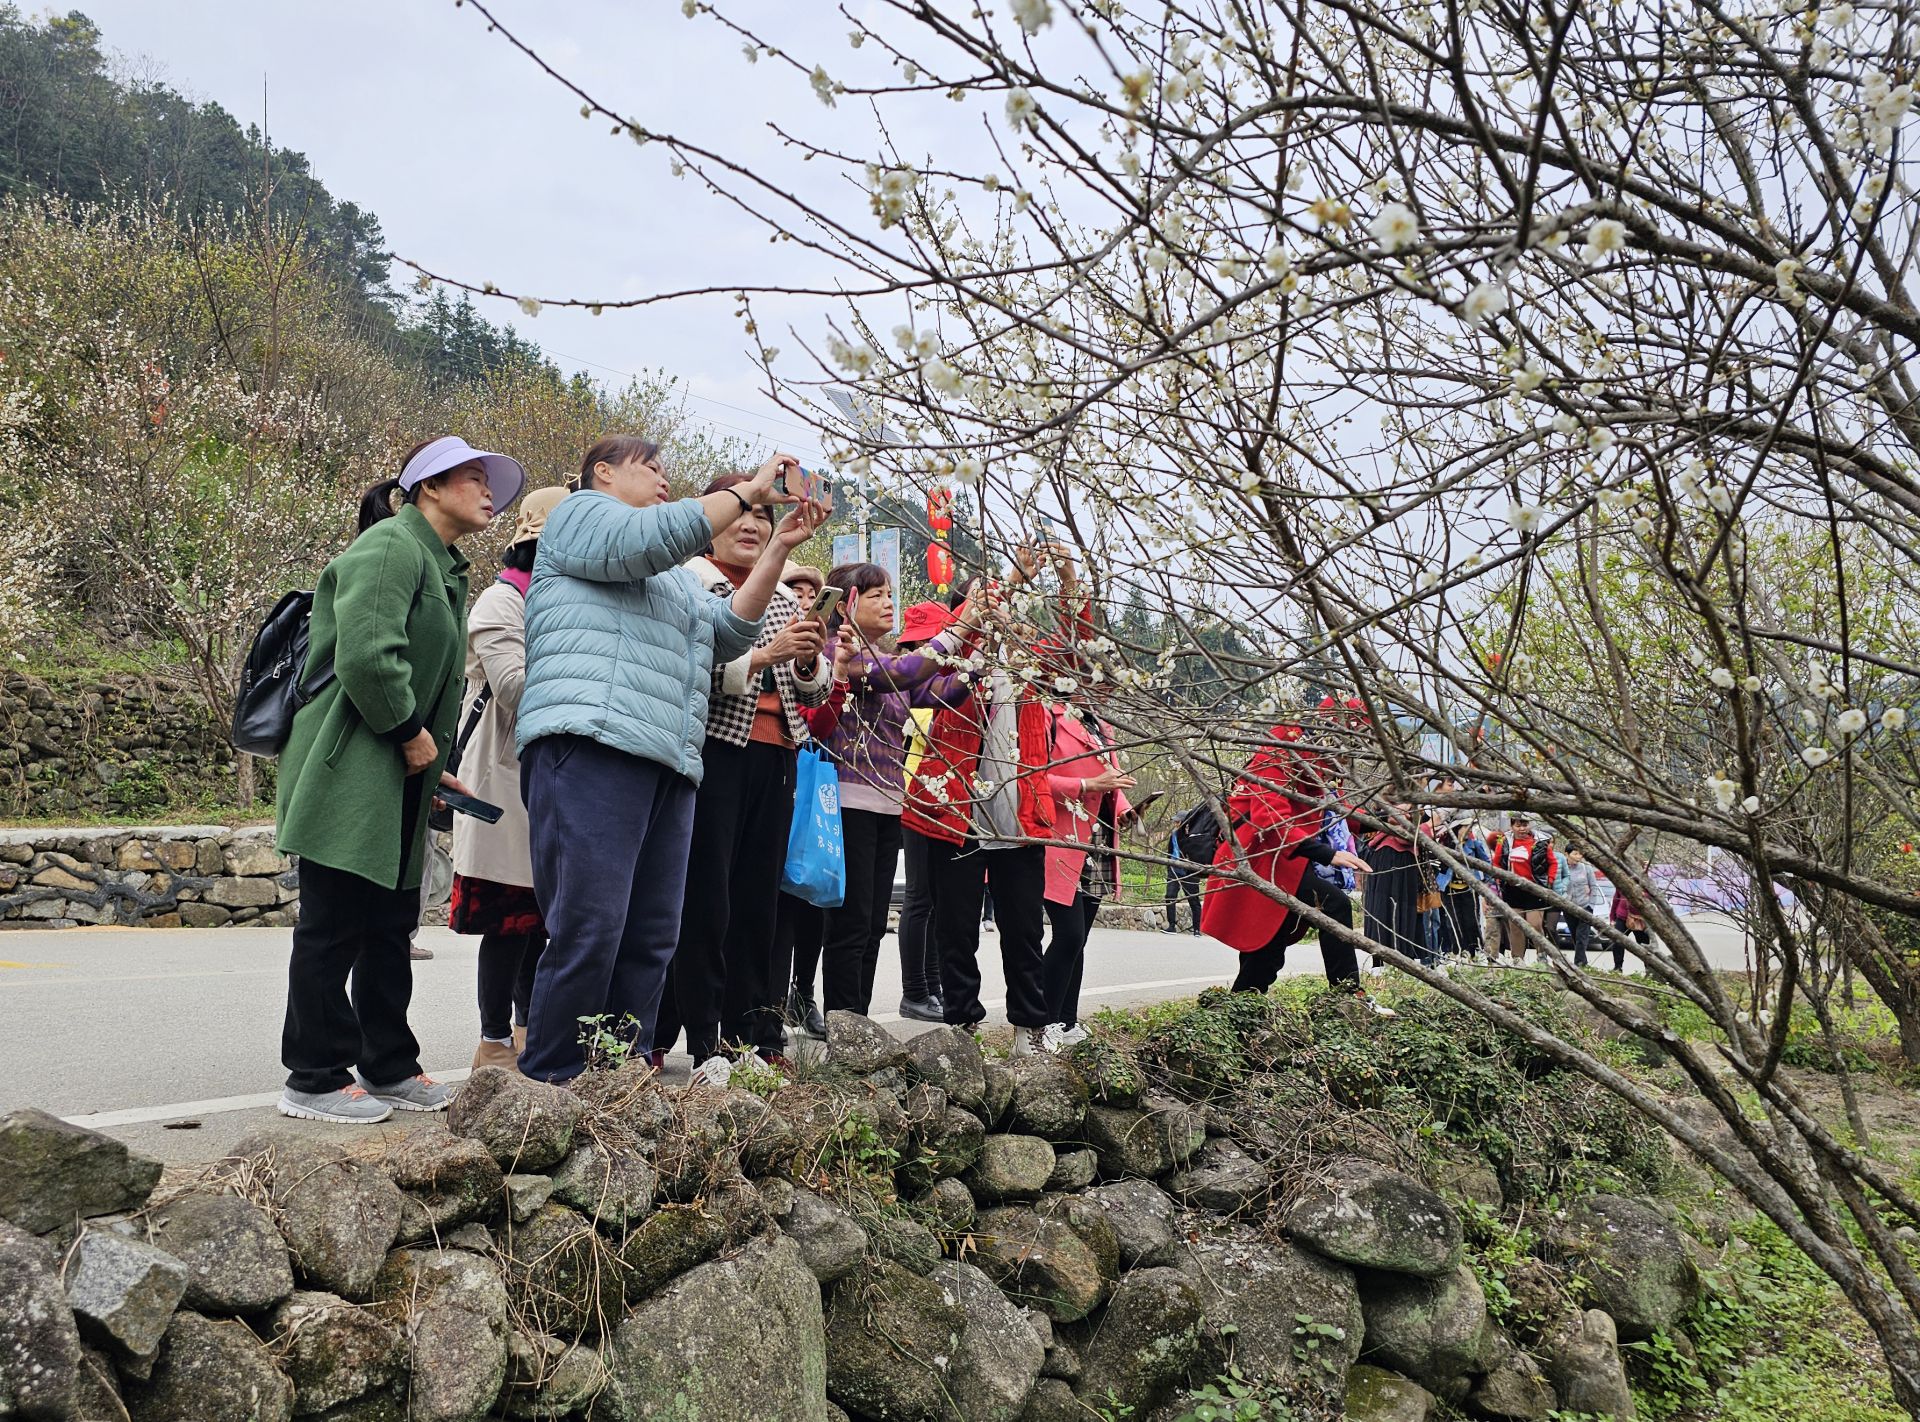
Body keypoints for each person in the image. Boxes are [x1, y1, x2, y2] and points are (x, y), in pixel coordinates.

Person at [514, 439, 826, 1084]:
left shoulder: (670, 577)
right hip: (593, 740)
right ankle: (551, 1080)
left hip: (669, 760)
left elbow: (730, 632)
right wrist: (747, 492)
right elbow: (656, 533)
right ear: (602, 473)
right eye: (650, 468)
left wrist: (779, 549)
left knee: (653, 934)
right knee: (591, 927)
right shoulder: (580, 518)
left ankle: (622, 1079)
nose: (664, 480)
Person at [275, 435, 525, 1123]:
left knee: (388, 925)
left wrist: (430, 755)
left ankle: (387, 1065)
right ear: (429, 487)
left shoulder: (439, 563)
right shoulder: (390, 547)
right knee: (333, 925)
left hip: (394, 765)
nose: (487, 491)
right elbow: (367, 656)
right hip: (352, 764)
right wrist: (412, 735)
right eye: (473, 477)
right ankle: (313, 1075)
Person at [652, 476, 831, 1078]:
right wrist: (762, 656)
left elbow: (815, 688)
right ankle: (703, 1037)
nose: (752, 524)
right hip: (713, 754)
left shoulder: (781, 591)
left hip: (777, 756)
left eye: (762, 513)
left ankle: (754, 1031)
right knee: (705, 899)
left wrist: (805, 657)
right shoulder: (689, 582)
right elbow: (688, 670)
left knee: (761, 902)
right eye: (741, 513)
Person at [907, 551, 1078, 1053]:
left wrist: (1066, 580)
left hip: (1019, 815)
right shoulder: (954, 658)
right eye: (988, 602)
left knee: (1023, 930)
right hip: (954, 811)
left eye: (1007, 603)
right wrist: (1008, 583)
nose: (1002, 610)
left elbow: (1077, 652)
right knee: (956, 928)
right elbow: (923, 689)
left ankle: (1030, 1026)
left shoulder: (1027, 662)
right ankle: (963, 1026)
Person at [815, 565, 980, 1019]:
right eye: (878, 595)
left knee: (871, 926)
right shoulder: (842, 653)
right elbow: (906, 672)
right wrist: (963, 627)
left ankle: (857, 1023)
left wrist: (980, 659)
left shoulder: (881, 657)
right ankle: (842, 1020)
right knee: (850, 924)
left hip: (888, 805)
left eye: (891, 594)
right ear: (848, 601)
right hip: (846, 802)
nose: (891, 603)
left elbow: (942, 690)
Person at [451, 484, 567, 1071]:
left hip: (554, 778)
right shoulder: (500, 605)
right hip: (502, 779)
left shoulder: (561, 603)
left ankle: (527, 1029)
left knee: (544, 921)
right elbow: (515, 688)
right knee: (508, 919)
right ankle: (492, 1038)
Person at [1199, 697, 1393, 1015]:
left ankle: (1232, 1014)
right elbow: (1269, 817)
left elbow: (1338, 806)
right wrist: (1327, 854)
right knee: (1333, 906)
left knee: (1268, 950)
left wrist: (1385, 820)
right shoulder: (1280, 746)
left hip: (1289, 860)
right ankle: (1349, 997)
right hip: (1262, 857)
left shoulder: (1323, 758)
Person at [1042, 695, 1137, 1046]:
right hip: (1062, 839)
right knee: (1067, 935)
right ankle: (1044, 1023)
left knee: (1078, 940)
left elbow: (1111, 777)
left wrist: (1124, 808)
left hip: (1099, 839)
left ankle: (1067, 1022)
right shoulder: (1046, 714)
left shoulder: (1100, 722)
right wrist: (1084, 786)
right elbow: (1032, 777)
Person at [896, 600, 962, 1022]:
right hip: (916, 796)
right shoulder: (912, 682)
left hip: (945, 800)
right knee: (920, 898)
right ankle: (915, 990)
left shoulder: (936, 678)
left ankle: (933, 988)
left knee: (935, 899)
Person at [774, 561, 832, 1042]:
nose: (805, 599)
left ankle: (802, 993)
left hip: (816, 784)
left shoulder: (822, 653)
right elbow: (813, 719)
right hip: (785, 771)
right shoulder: (767, 629)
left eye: (814, 594)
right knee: (774, 899)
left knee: (811, 894)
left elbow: (822, 707)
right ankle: (769, 1000)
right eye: (796, 590)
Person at [1492, 815, 1556, 962]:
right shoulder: (1504, 841)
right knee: (1515, 925)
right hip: (1512, 889)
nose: (1522, 829)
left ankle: (1541, 955)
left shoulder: (1541, 842)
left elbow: (1553, 863)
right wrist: (1499, 878)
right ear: (1512, 826)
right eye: (1518, 826)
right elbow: (1496, 862)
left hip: (1534, 888)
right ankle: (1517, 959)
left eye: (1525, 825)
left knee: (1534, 925)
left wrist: (1550, 880)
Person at [1441, 813, 1491, 961]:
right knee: (1453, 922)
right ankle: (1458, 952)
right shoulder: (1446, 845)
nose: (1469, 830)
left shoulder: (1474, 845)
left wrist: (1484, 883)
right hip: (1449, 888)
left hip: (1469, 889)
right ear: (1457, 828)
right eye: (1465, 827)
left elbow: (1487, 864)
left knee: (1471, 921)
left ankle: (1475, 951)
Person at [1164, 802, 1215, 933]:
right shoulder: (1174, 835)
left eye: (1178, 821)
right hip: (1174, 869)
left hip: (1189, 871)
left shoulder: (1192, 836)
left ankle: (1197, 928)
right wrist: (1169, 866)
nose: (1175, 824)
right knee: (1170, 896)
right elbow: (1170, 851)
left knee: (1193, 899)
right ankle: (1171, 926)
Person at [1558, 844, 1600, 966]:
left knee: (1582, 935)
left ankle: (1579, 963)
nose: (1578, 857)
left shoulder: (1586, 868)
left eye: (1580, 854)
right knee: (1575, 936)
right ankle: (1583, 962)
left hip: (1585, 906)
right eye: (1575, 854)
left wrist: (1591, 905)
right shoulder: (1562, 869)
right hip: (1569, 907)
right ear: (1566, 854)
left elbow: (1593, 887)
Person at [1608, 881, 1651, 971]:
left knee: (1644, 945)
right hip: (1622, 917)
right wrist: (1612, 918)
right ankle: (1618, 967)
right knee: (1617, 942)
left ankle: (1649, 968)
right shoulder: (1620, 880)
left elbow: (1651, 898)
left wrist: (1643, 894)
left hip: (1640, 919)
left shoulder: (1645, 882)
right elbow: (1616, 900)